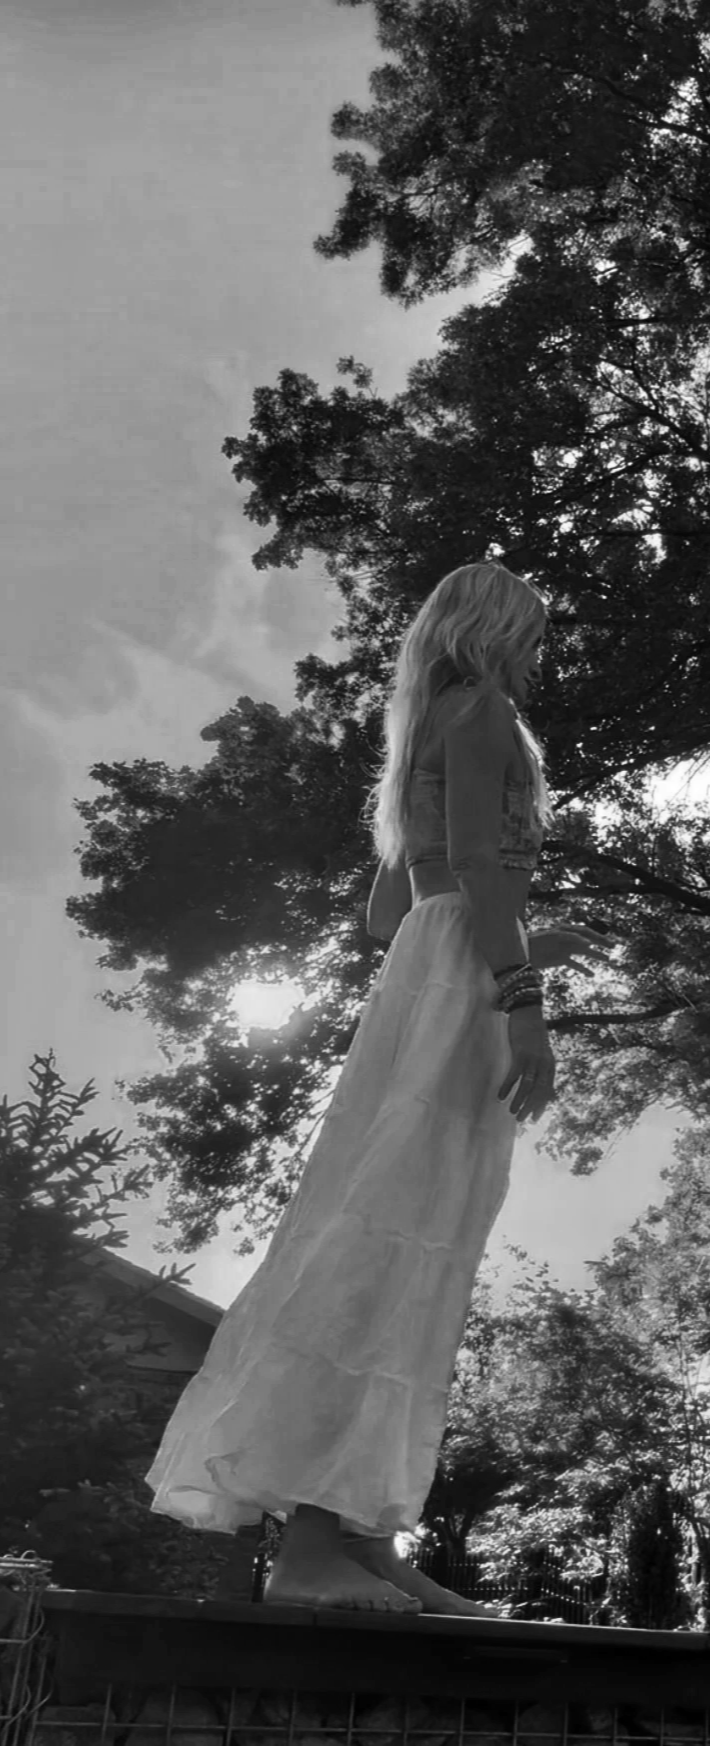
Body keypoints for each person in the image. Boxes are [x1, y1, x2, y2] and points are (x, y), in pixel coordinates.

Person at [145, 560, 613, 1616]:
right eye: (531, 634)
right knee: (392, 1242)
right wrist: (523, 999)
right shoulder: (485, 711)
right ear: (494, 630)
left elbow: (382, 913)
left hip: (421, 979)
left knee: (405, 1243)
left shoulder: (421, 728)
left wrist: (500, 946)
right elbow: (484, 881)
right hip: (458, 992)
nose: (536, 656)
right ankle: (311, 1546)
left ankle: (358, 1537)